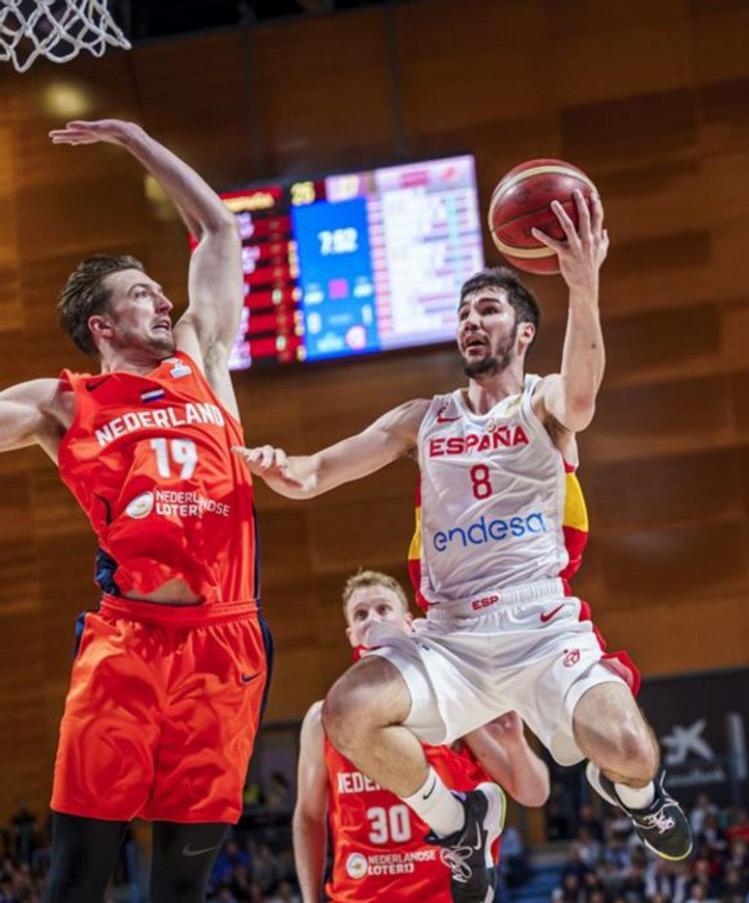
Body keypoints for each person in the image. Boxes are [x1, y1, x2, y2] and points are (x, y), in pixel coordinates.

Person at [239, 191, 692, 901]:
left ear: (523, 331)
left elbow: (583, 398)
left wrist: (583, 284)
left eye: (488, 309)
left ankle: (636, 794)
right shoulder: (421, 419)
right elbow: (315, 472)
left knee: (632, 750)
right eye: (463, 312)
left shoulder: (542, 402)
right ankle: (456, 823)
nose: (471, 321)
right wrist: (275, 465)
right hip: (451, 637)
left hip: (541, 627)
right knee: (346, 710)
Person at [1, 119, 261, 901]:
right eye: (141, 293)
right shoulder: (63, 403)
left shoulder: (202, 358)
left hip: (225, 643)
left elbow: (218, 227)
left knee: (180, 891)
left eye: (160, 288)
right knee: (75, 881)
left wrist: (136, 140)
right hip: (127, 648)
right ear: (102, 326)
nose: (162, 298)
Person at [292, 569, 550, 901]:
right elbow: (309, 816)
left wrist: (515, 744)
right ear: (352, 635)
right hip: (357, 895)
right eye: (361, 614)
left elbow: (533, 794)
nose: (373, 619)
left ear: (409, 623)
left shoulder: (448, 701)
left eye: (383, 609)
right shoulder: (322, 720)